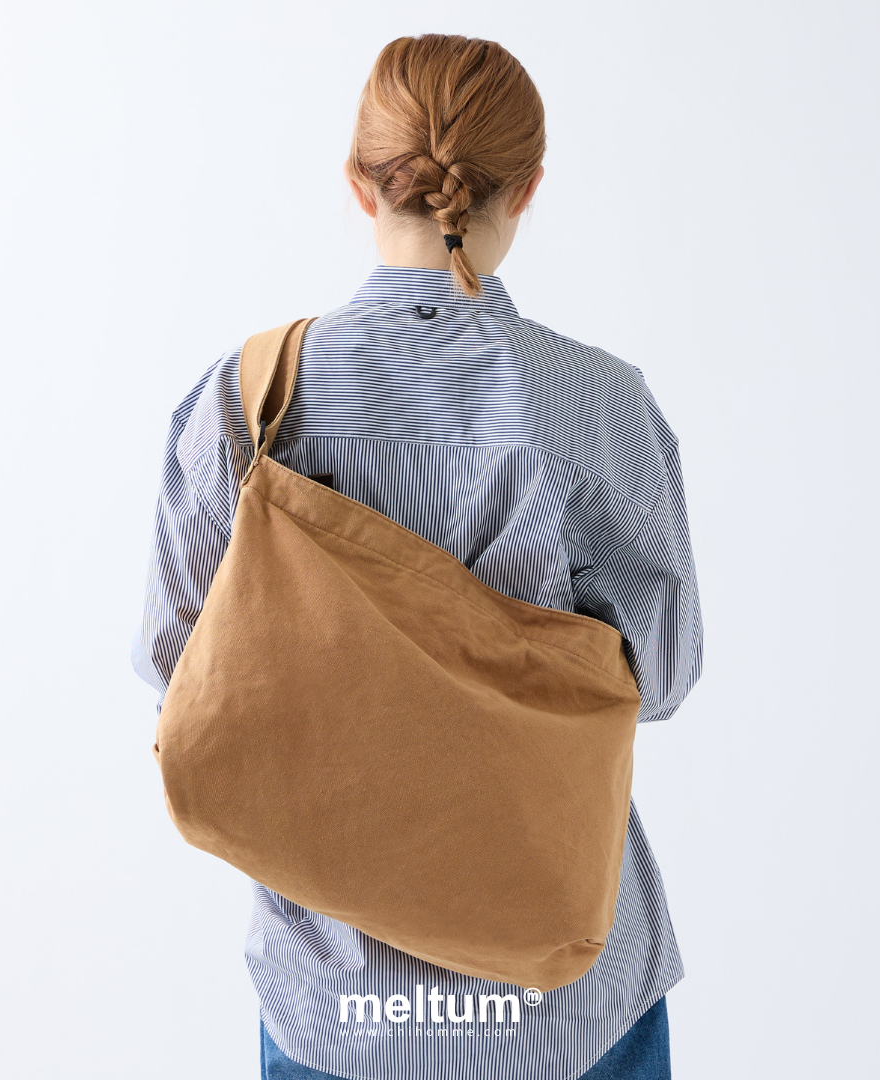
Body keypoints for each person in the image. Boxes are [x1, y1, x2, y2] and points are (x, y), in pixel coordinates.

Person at [132, 32, 702, 1080]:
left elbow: (176, 666)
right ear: (527, 190)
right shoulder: (599, 403)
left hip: (334, 999)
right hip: (563, 996)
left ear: (360, 183)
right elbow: (659, 680)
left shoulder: (248, 398)